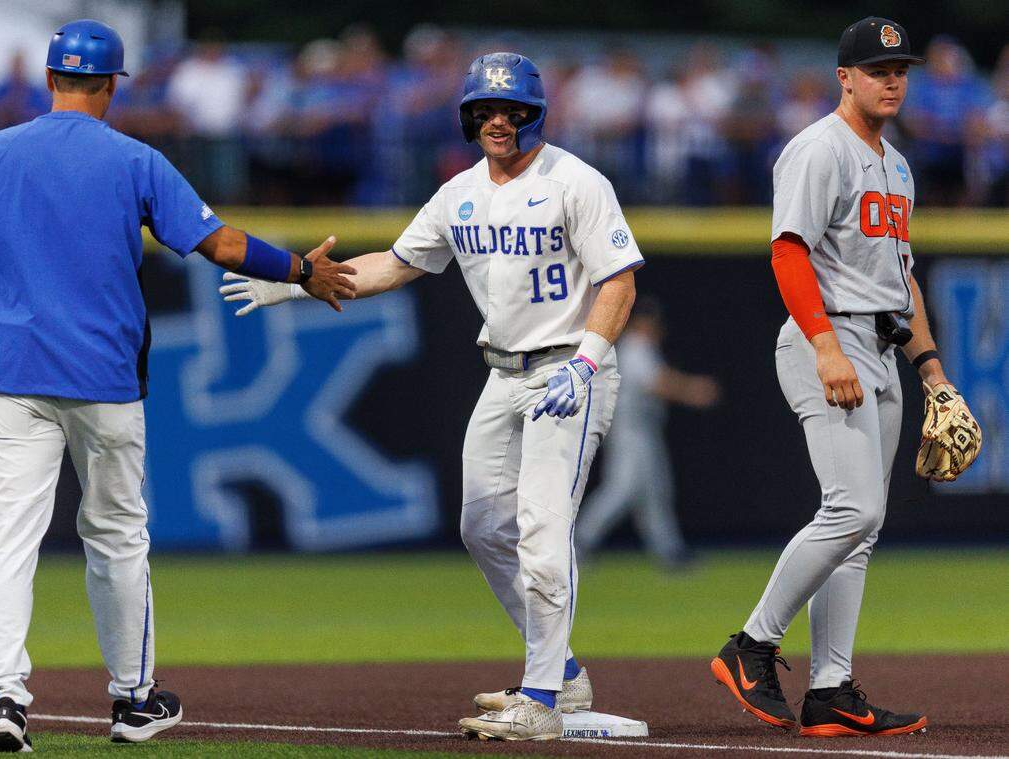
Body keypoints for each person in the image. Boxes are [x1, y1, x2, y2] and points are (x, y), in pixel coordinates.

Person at [0, 19, 354, 753]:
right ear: (112, 85)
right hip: (107, 382)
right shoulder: (136, 159)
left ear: (50, 79)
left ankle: (6, 700)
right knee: (115, 538)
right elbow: (222, 245)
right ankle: (133, 699)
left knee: (10, 540)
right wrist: (301, 269)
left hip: (17, 379)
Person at [220, 52, 643, 741]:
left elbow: (619, 280)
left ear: (536, 114)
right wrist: (303, 280)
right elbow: (394, 261)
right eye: (485, 110)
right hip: (504, 373)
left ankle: (540, 697)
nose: (498, 121)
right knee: (482, 528)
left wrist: (589, 361)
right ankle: (561, 670)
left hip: (569, 367)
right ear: (469, 117)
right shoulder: (460, 192)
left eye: (512, 110)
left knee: (541, 527)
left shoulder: (576, 180)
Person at [710, 17, 981, 738]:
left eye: (901, 69)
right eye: (877, 68)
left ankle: (830, 690)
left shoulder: (896, 165)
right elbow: (788, 252)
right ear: (845, 76)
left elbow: (904, 281)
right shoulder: (818, 148)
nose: (892, 79)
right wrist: (825, 347)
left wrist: (934, 373)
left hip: (885, 346)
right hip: (825, 336)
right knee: (852, 507)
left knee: (862, 529)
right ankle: (750, 645)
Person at [574, 296, 719, 567]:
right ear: (641, 322)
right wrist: (692, 390)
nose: (655, 326)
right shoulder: (633, 346)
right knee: (622, 490)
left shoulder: (642, 347)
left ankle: (670, 551)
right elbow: (655, 383)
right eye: (650, 321)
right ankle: (578, 542)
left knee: (655, 492)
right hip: (630, 430)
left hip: (643, 429)